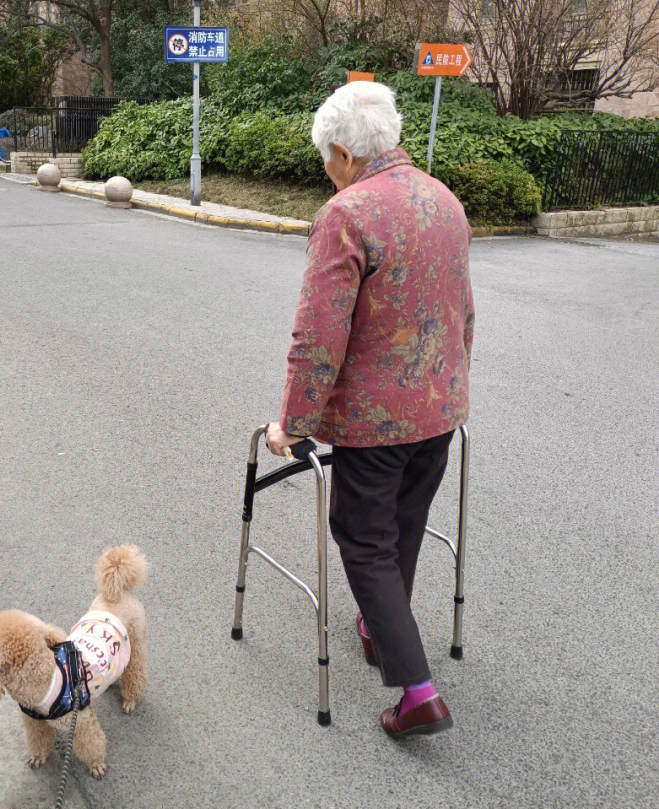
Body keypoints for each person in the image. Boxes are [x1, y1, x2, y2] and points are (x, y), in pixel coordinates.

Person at [266, 81, 474, 738]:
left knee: (363, 537)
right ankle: (381, 627)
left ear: (341, 153)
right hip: (441, 408)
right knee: (402, 526)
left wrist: (293, 424)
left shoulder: (346, 214)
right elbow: (463, 311)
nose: (327, 173)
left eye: (326, 161)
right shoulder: (444, 200)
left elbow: (317, 336)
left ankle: (417, 692)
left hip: (376, 420)